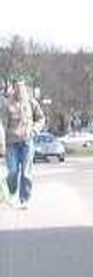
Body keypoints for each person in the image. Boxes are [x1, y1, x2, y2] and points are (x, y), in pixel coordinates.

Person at [4, 80, 45, 209]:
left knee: (26, 173)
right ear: (13, 89)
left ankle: (24, 199)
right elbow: (2, 125)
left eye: (22, 88)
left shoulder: (31, 102)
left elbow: (41, 118)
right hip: (12, 143)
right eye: (17, 88)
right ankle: (11, 193)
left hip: (27, 142)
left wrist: (35, 130)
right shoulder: (7, 104)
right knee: (13, 171)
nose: (19, 91)